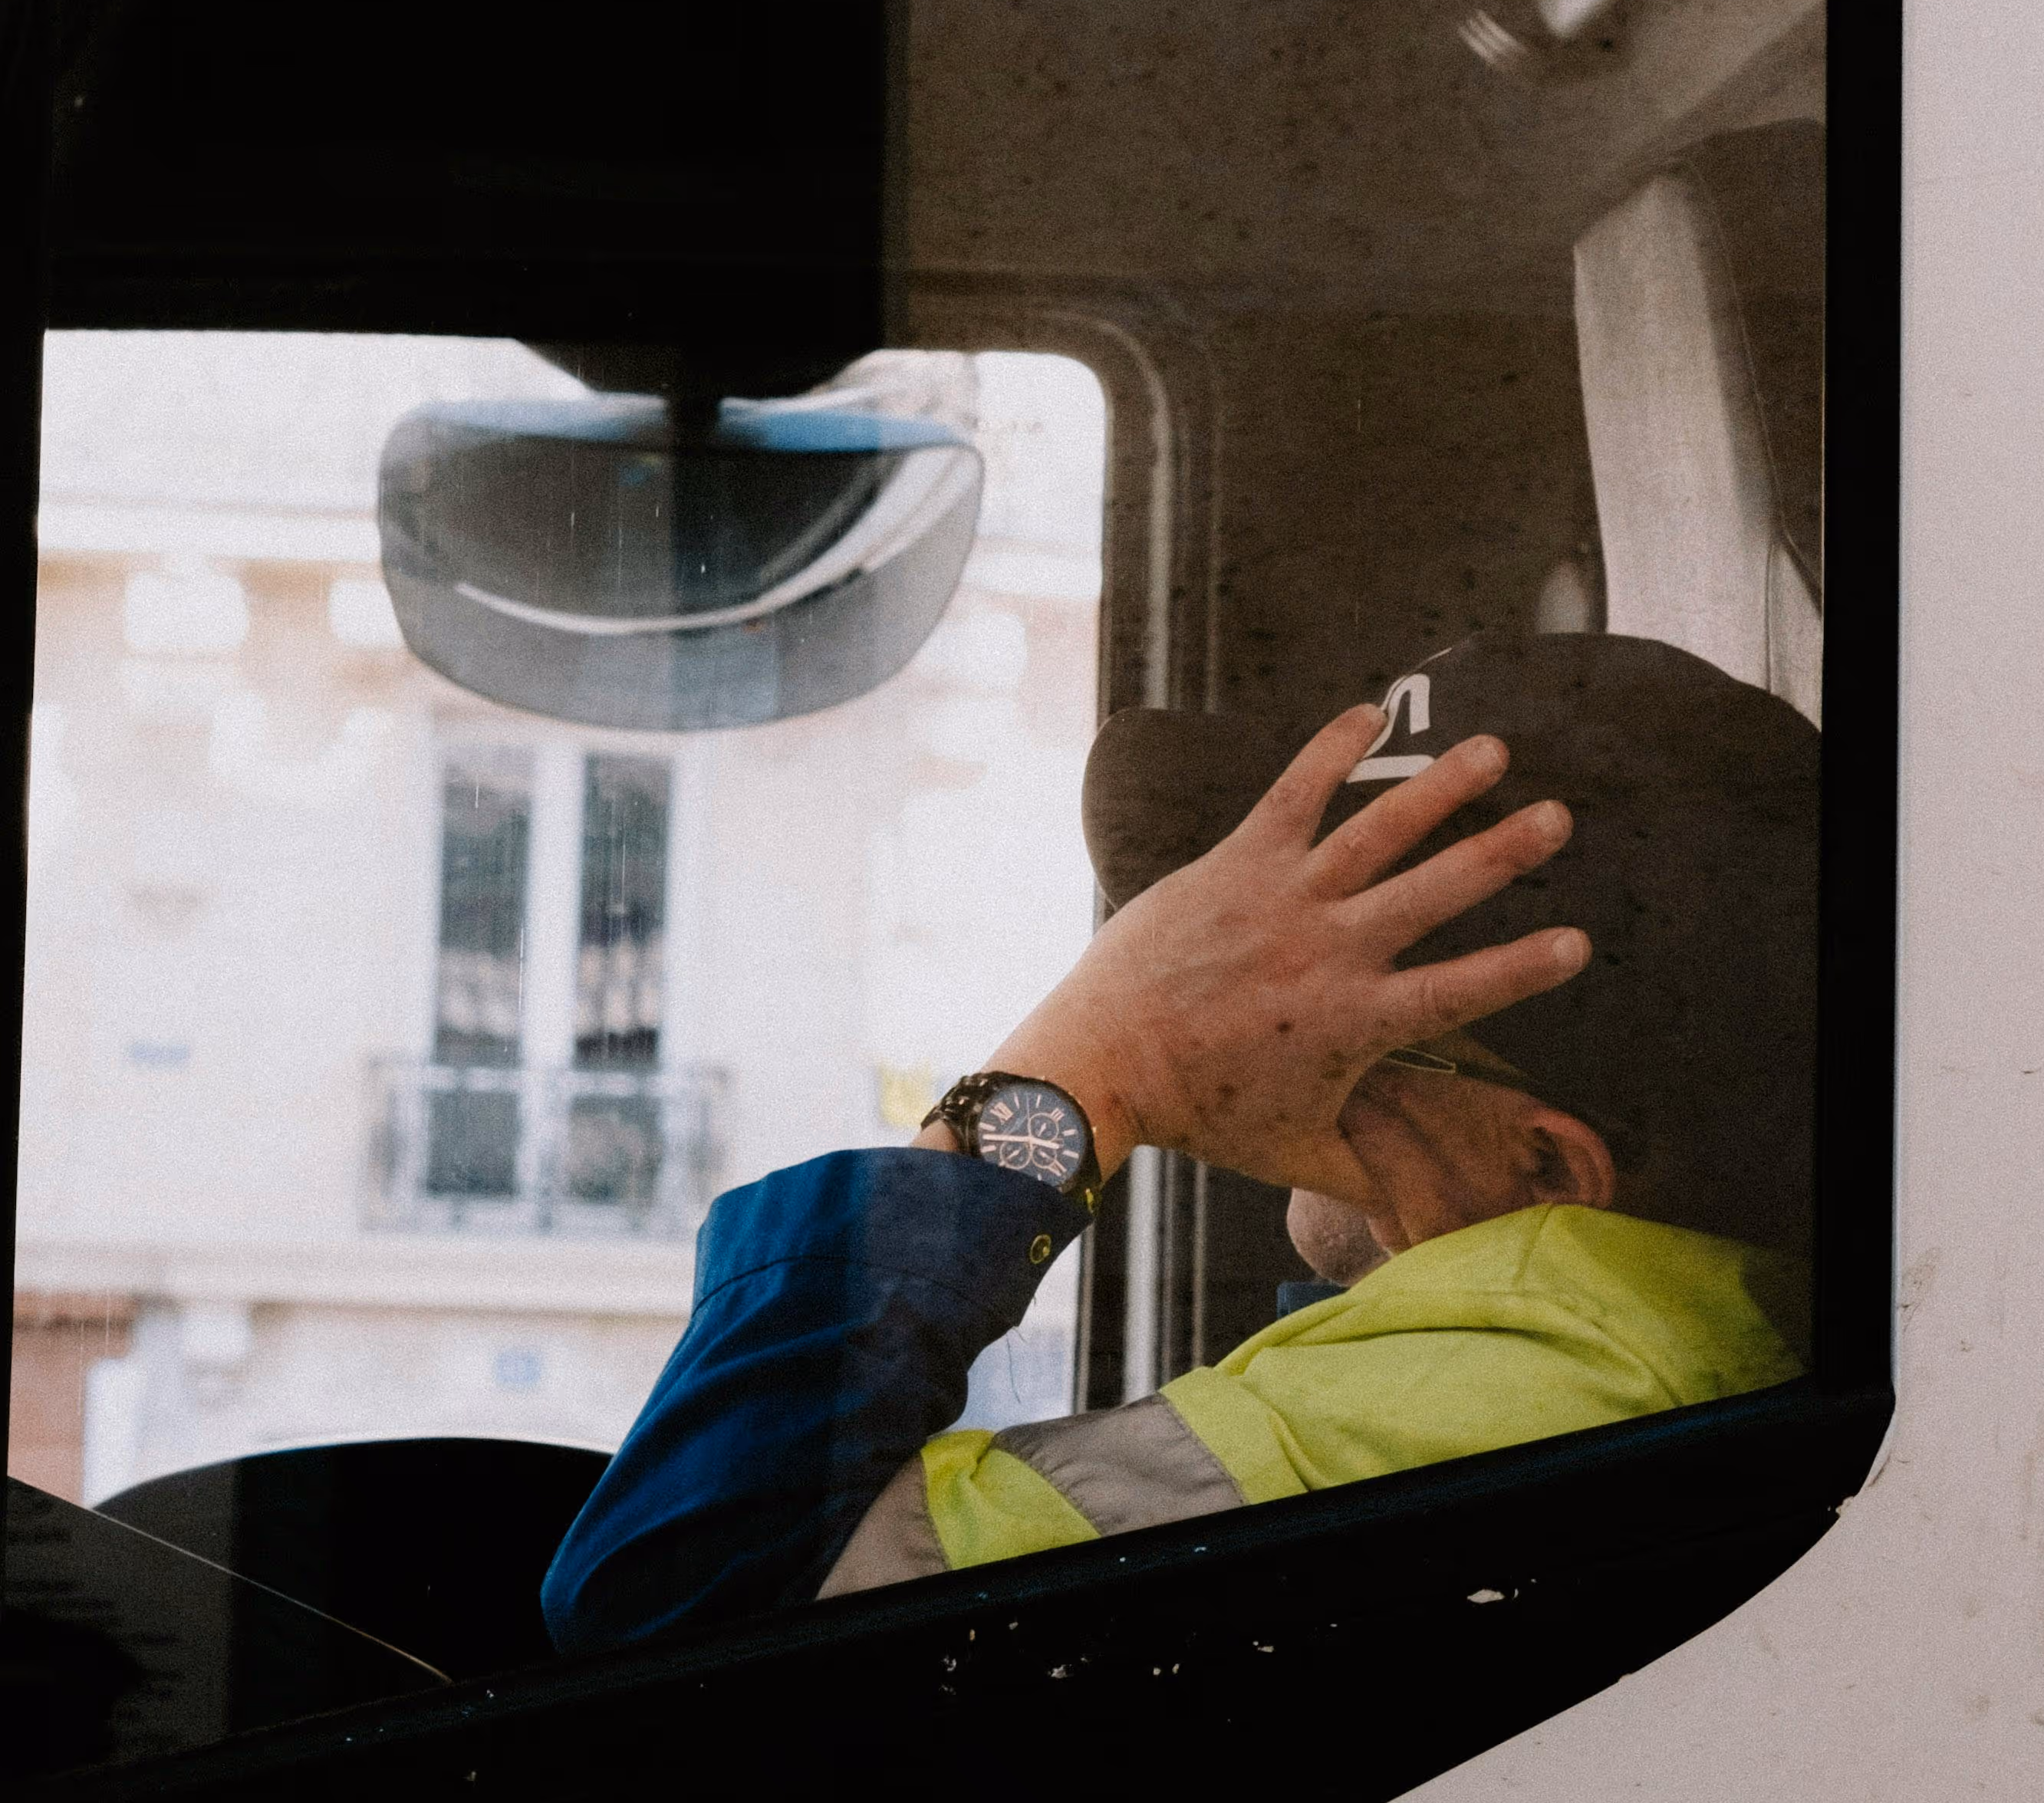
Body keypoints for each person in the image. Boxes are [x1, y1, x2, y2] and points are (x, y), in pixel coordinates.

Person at [539, 633, 1817, 1657]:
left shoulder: (1492, 1412)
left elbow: (678, 1612)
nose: (1233, 1003)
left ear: (1548, 1169)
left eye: (1331, 994)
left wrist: (1106, 1056)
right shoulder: (1638, 1353)